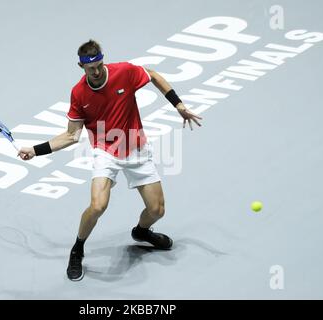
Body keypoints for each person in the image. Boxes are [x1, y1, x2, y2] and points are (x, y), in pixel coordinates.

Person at [18, 40, 202, 281]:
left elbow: (154, 76)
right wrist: (35, 150)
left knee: (157, 210)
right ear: (81, 66)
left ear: (103, 60)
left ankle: (142, 231)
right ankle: (78, 249)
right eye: (90, 68)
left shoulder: (124, 72)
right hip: (106, 152)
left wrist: (178, 105)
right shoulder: (78, 93)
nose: (95, 72)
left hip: (136, 148)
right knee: (97, 206)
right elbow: (72, 136)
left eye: (98, 65)